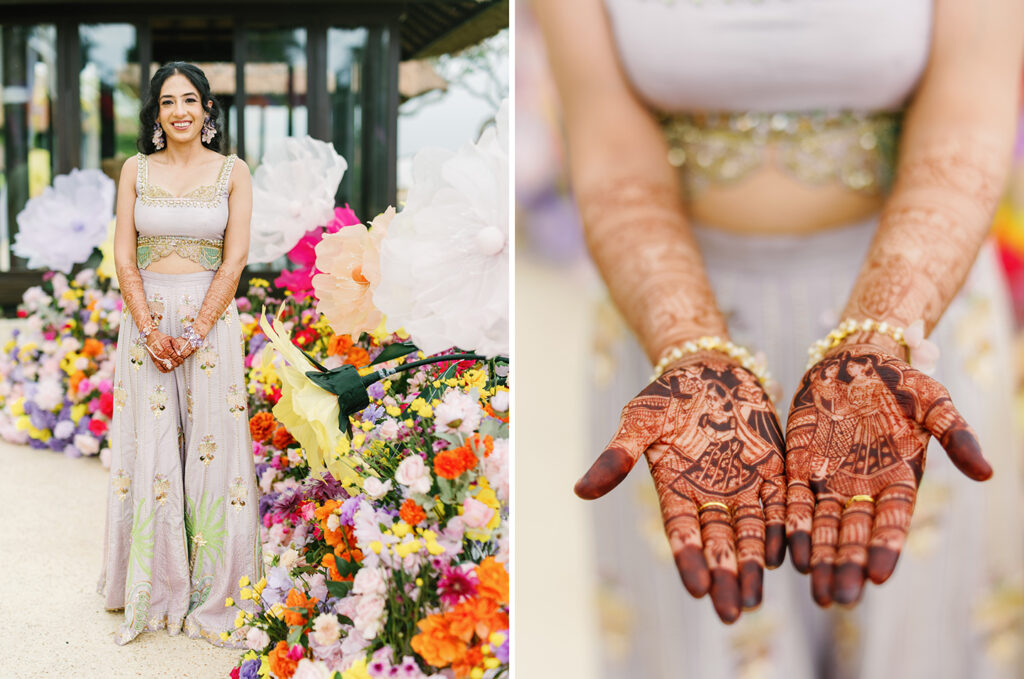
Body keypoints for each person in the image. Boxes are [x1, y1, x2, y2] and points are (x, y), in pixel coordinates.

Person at [532, 1, 1023, 677]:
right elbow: (607, 139)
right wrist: (692, 346)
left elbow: (969, 110)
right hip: (674, 329)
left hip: (913, 326)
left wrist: (879, 335)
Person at [96, 61, 261, 648]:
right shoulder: (135, 172)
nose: (180, 111)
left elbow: (234, 259)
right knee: (154, 452)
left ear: (207, 110)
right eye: (167, 102)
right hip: (145, 324)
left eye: (189, 100)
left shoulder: (233, 172)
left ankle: (213, 591)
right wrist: (147, 326)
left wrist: (192, 333)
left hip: (210, 325)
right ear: (156, 113)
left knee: (214, 452)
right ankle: (153, 587)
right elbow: (123, 255)